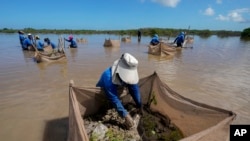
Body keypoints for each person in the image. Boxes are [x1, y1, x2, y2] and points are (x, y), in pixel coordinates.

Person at [96, 53, 142, 129]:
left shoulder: (131, 76)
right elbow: (114, 99)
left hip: (117, 90)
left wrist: (139, 105)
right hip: (104, 93)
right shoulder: (108, 76)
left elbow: (134, 89)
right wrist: (126, 116)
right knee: (106, 104)